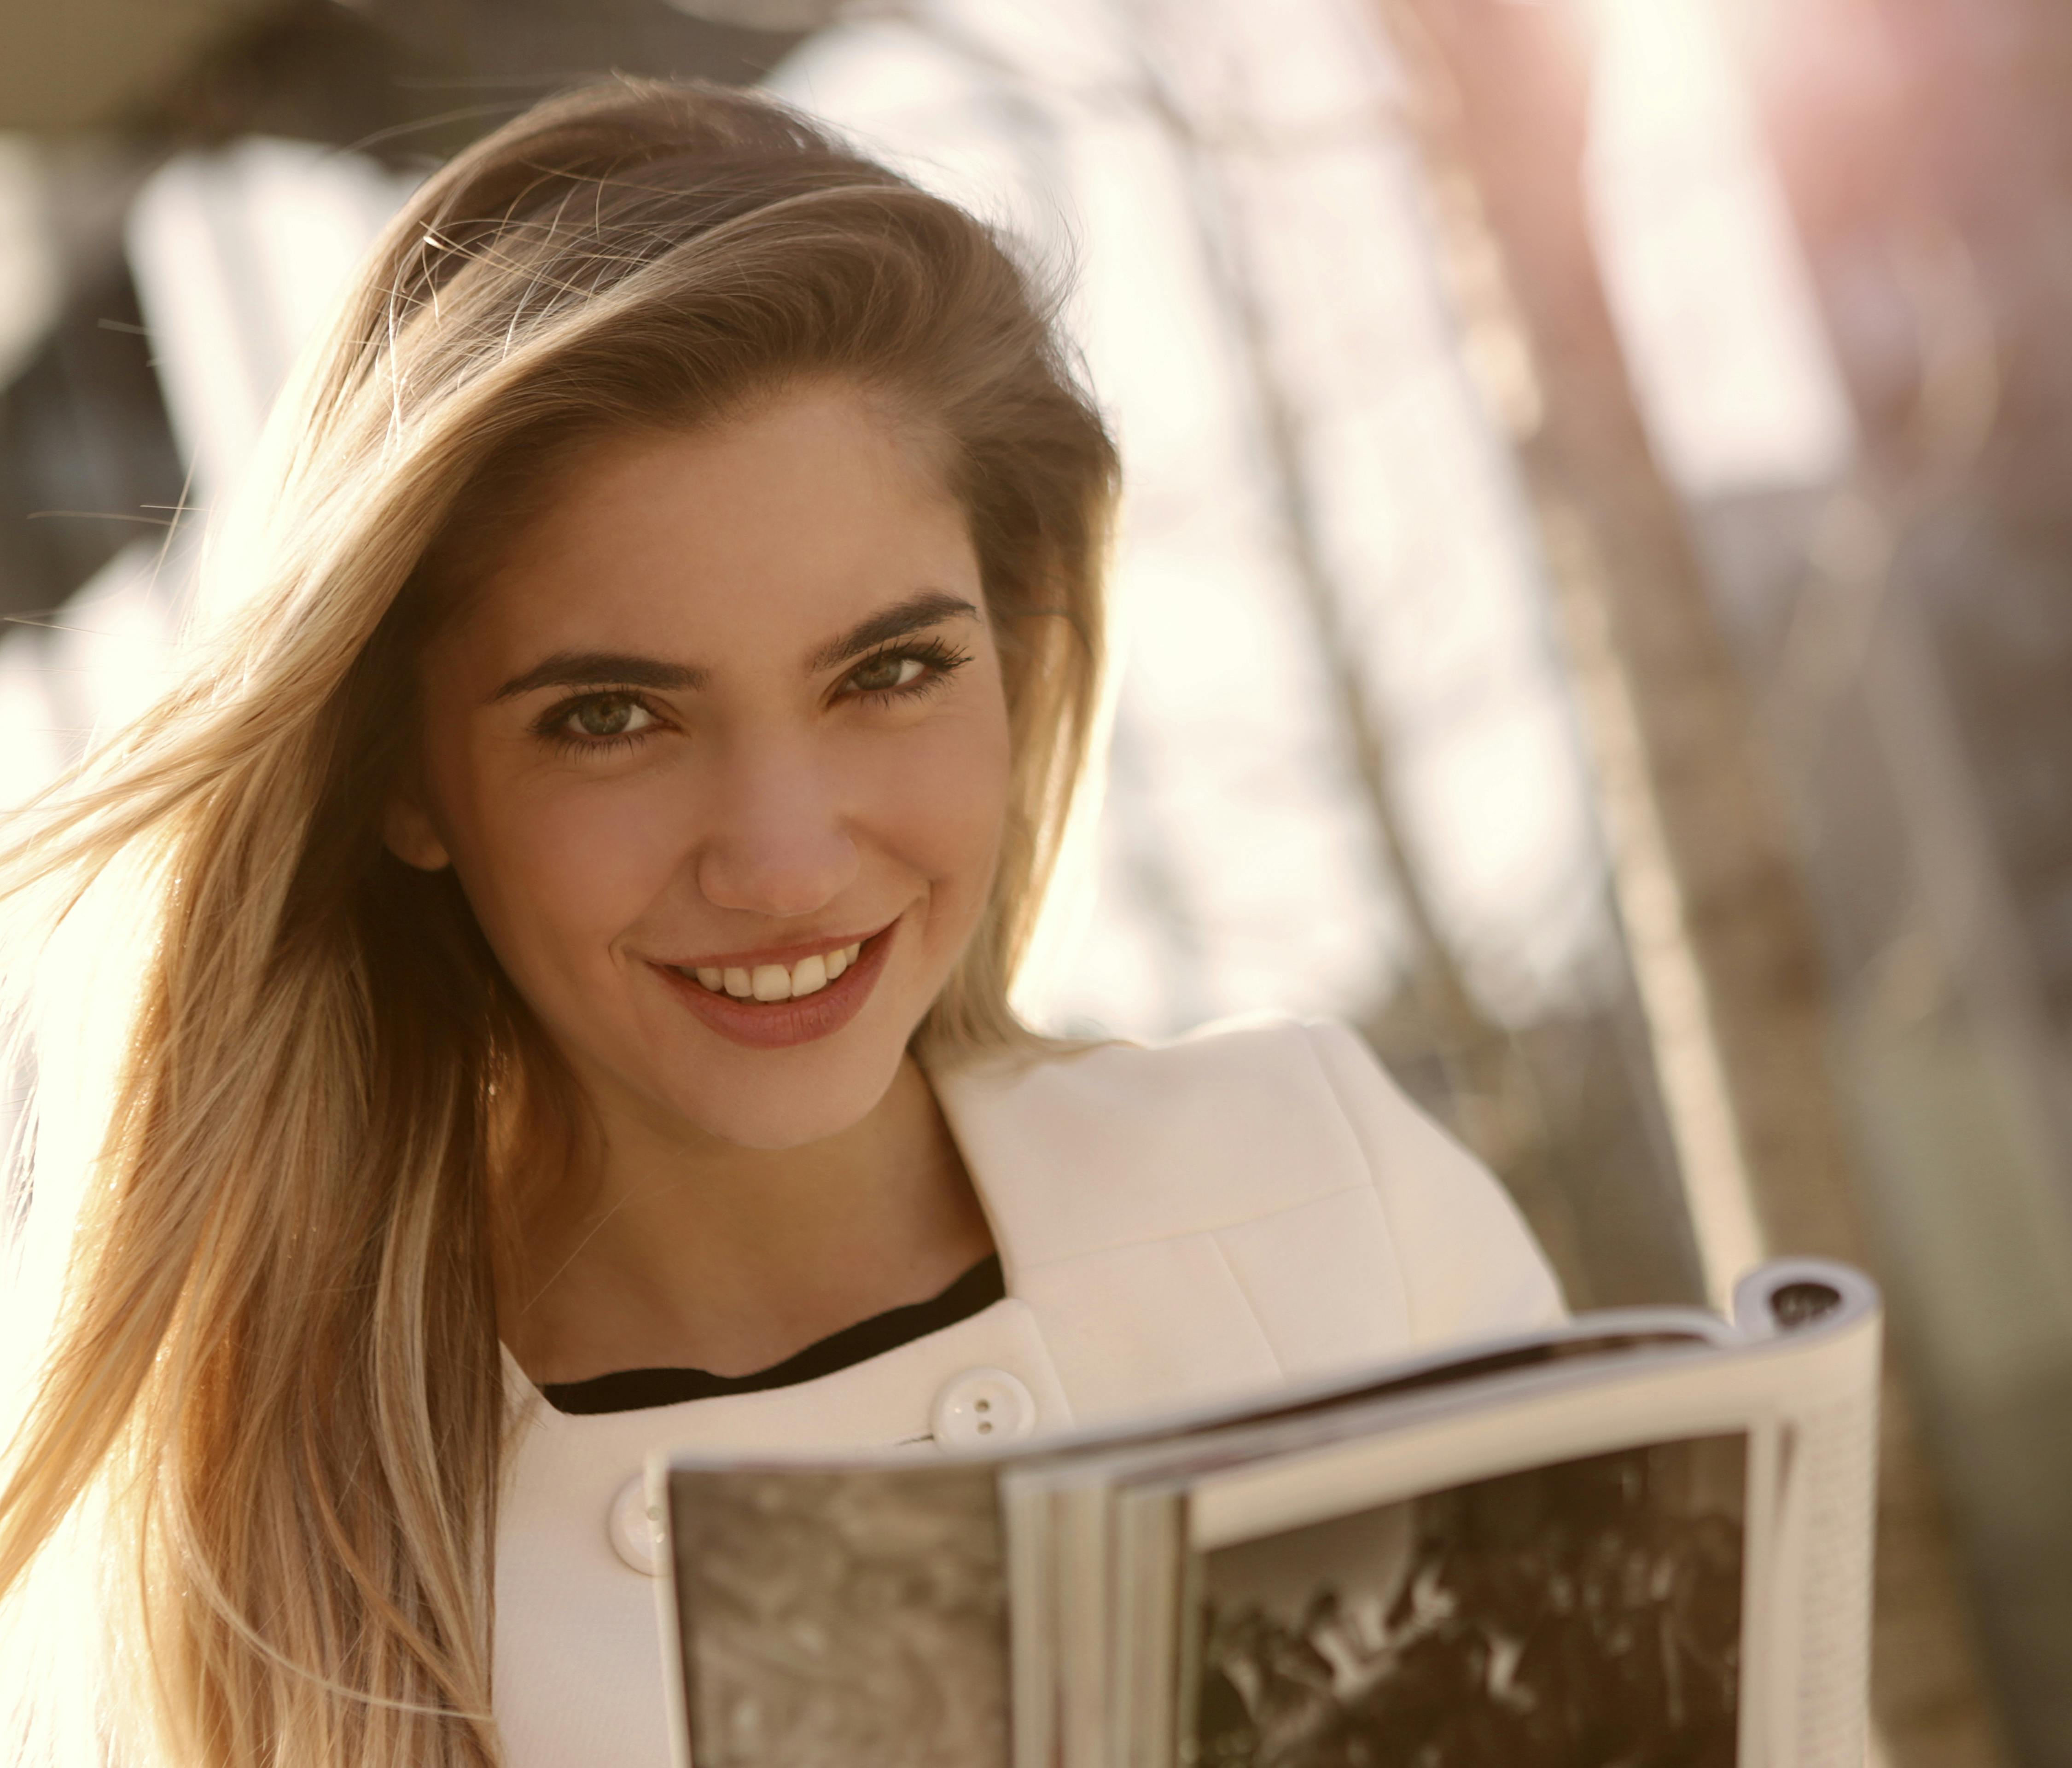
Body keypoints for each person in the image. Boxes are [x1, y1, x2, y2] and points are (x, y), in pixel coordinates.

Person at [0, 81, 1561, 1768]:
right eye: (611, 716)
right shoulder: (281, 1558)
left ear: (1018, 666)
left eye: (889, 673)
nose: (784, 861)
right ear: (410, 779)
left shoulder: (1313, 1199)